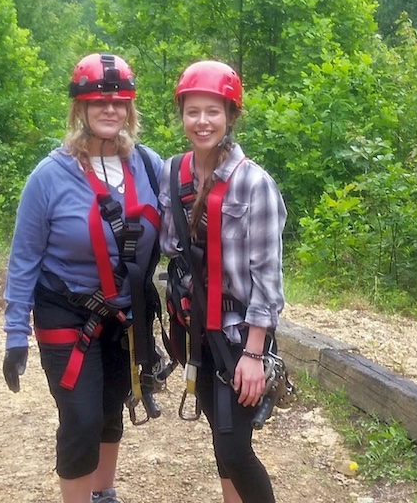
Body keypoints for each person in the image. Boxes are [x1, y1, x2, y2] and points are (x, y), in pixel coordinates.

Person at [2, 52, 163, 503]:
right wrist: (15, 334)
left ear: (129, 109)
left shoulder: (148, 166)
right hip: (66, 313)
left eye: (118, 101)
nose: (109, 109)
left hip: (124, 315)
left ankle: (103, 494)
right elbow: (24, 259)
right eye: (97, 101)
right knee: (81, 419)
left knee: (111, 408)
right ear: (80, 109)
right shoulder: (49, 177)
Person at [159, 60, 287, 503]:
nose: (202, 121)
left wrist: (254, 353)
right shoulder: (173, 174)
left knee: (235, 448)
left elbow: (267, 279)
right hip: (196, 331)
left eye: (213, 111)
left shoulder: (255, 185)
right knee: (221, 440)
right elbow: (171, 249)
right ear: (181, 116)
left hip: (237, 336)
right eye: (193, 111)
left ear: (230, 116)